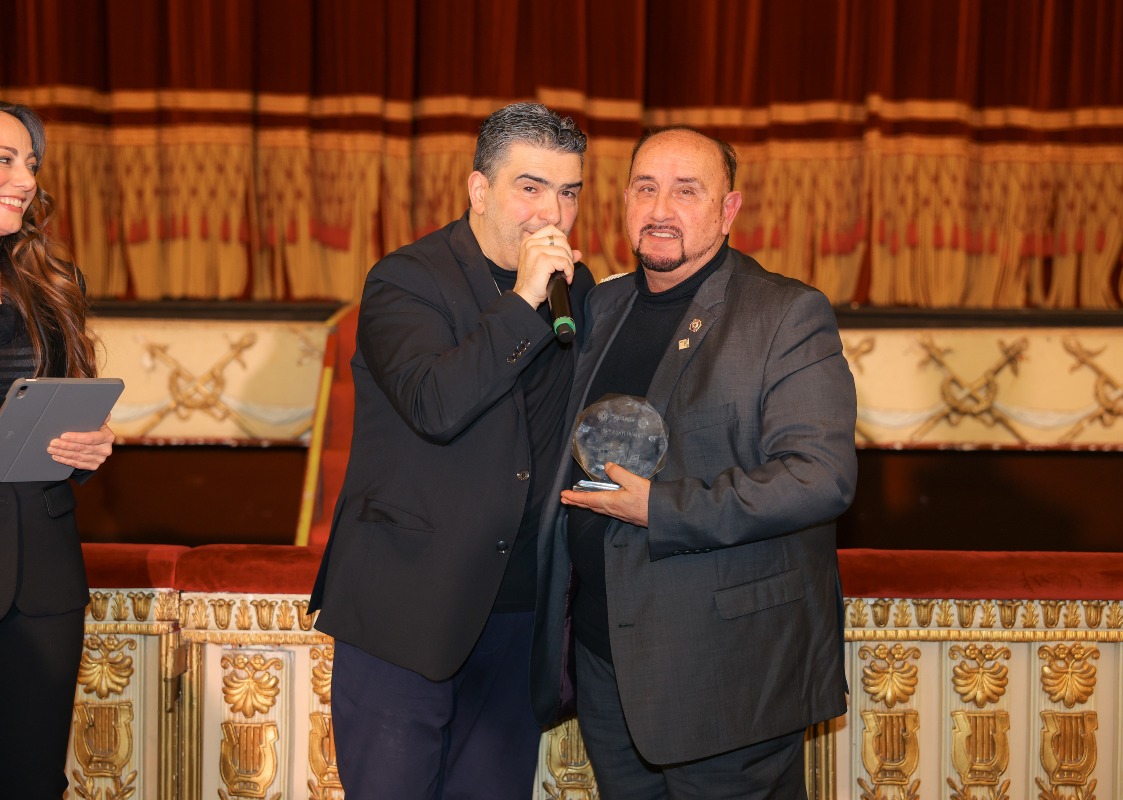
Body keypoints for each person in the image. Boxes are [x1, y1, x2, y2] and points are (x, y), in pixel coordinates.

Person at [530, 127, 858, 799]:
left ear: (728, 210)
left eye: (687, 191)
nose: (660, 210)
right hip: (606, 664)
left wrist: (661, 508)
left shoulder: (786, 314)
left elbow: (819, 477)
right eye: (646, 188)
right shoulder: (603, 305)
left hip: (726, 678)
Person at [308, 102, 594, 798]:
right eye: (531, 188)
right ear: (479, 189)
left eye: (569, 192)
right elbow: (436, 404)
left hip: (517, 609)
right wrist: (524, 298)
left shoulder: (575, 288)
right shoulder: (406, 281)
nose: (551, 212)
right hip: (408, 607)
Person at [0, 95, 116, 798]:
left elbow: (63, 405)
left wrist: (90, 444)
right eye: (2, 158)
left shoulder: (53, 286)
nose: (25, 177)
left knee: (28, 784)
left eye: (31, 163)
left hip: (40, 585)